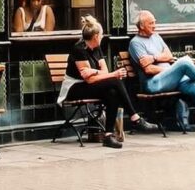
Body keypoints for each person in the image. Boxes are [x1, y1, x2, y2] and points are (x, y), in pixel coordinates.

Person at [128, 10, 195, 140]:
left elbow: (169, 56)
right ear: (141, 26)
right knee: (185, 61)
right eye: (151, 23)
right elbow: (149, 69)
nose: (154, 26)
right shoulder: (136, 43)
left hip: (172, 80)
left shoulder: (156, 36)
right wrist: (171, 71)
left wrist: (154, 57)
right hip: (154, 83)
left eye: (154, 22)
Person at [58, 15, 159, 148]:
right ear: (96, 36)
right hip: (74, 88)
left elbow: (103, 73)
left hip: (89, 84)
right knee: (115, 81)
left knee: (112, 92)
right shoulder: (79, 49)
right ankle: (135, 118)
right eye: (101, 35)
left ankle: (108, 135)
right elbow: (89, 79)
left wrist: (94, 71)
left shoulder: (97, 48)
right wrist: (110, 74)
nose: (102, 37)